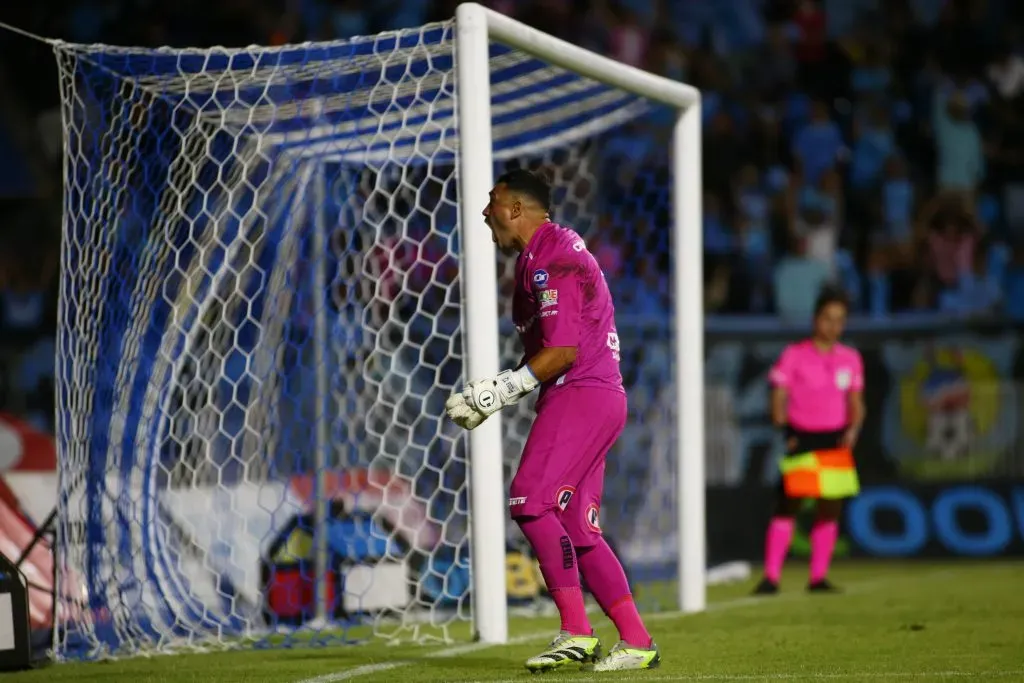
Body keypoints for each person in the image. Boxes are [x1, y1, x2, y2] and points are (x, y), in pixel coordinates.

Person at [445, 169, 659, 673]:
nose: (484, 212)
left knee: (528, 499)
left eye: (492, 201)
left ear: (515, 208)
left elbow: (562, 351)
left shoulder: (550, 259)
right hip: (599, 393)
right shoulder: (548, 254)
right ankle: (636, 639)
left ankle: (577, 630)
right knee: (577, 529)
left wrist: (498, 390)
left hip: (580, 391)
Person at [754, 286, 865, 595]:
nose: (833, 326)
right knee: (787, 507)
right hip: (801, 437)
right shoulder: (794, 355)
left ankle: (818, 577)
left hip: (834, 439)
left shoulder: (850, 358)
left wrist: (854, 429)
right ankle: (771, 577)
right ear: (816, 319)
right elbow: (778, 396)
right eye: (828, 318)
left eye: (839, 320)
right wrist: (783, 428)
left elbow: (856, 401)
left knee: (829, 508)